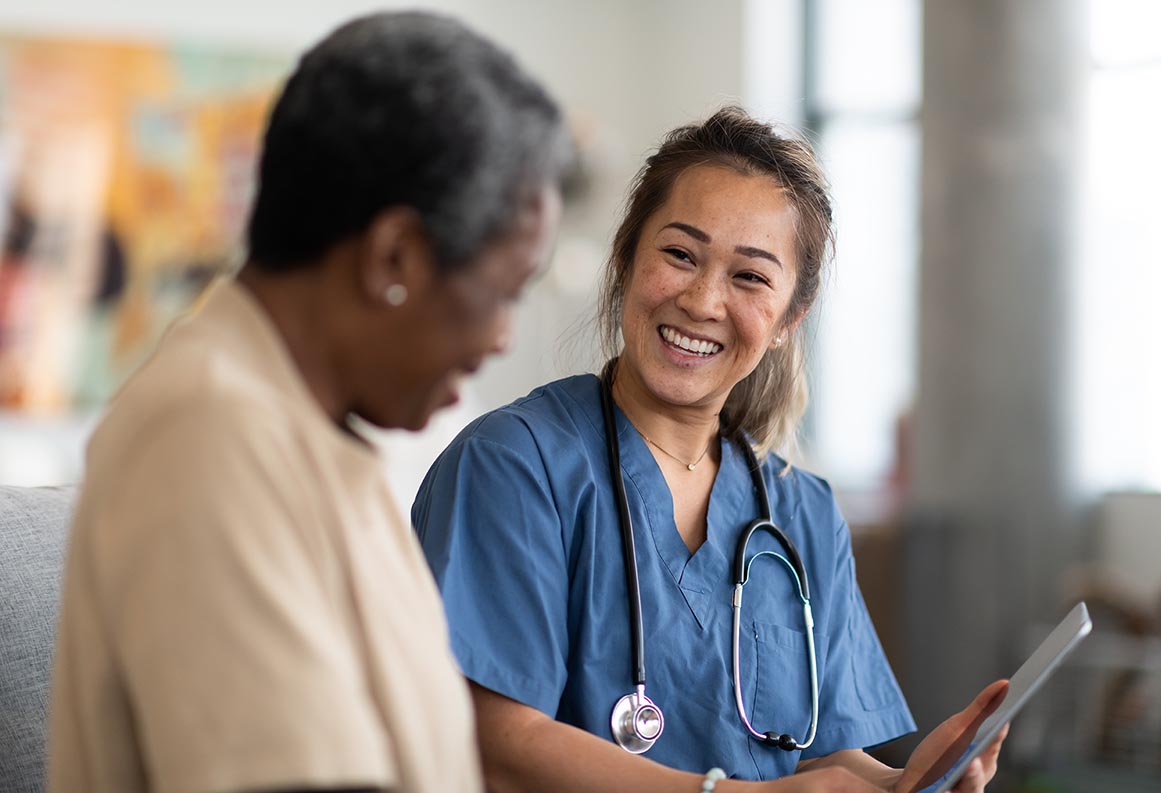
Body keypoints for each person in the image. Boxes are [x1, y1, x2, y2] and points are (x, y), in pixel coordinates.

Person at [413, 107, 1008, 793]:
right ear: (626, 259)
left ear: (788, 319)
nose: (701, 300)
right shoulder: (514, 466)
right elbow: (496, 740)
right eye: (678, 254)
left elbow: (811, 758)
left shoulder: (801, 511)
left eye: (749, 277)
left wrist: (901, 781)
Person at [48, 12, 566, 793]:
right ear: (394, 256)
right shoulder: (209, 435)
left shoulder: (302, 429)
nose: (501, 338)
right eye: (502, 292)